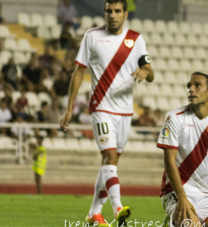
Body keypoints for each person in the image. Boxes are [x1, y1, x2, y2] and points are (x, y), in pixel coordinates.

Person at [59, 0, 154, 226]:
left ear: (125, 14)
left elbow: (150, 73)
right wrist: (69, 108)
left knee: (109, 165)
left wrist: (145, 71)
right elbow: (79, 72)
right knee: (109, 157)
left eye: (117, 11)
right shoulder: (92, 36)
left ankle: (94, 212)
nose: (112, 15)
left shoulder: (136, 39)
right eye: (108, 11)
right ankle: (118, 208)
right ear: (104, 13)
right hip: (101, 107)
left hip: (125, 112)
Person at [157, 72, 208, 227]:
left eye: (197, 85)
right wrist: (182, 198)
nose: (191, 89)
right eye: (189, 86)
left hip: (207, 193)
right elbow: (169, 161)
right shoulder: (175, 117)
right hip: (177, 191)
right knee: (190, 224)